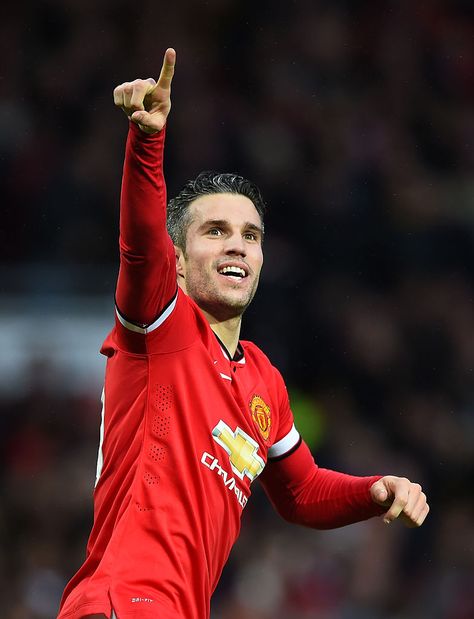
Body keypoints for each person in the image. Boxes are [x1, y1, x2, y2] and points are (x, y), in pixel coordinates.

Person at [57, 48, 429, 619]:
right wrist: (149, 141)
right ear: (177, 262)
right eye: (216, 231)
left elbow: (301, 492)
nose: (238, 245)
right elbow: (139, 244)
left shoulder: (263, 380)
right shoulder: (163, 324)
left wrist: (373, 491)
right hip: (121, 602)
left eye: (251, 235)